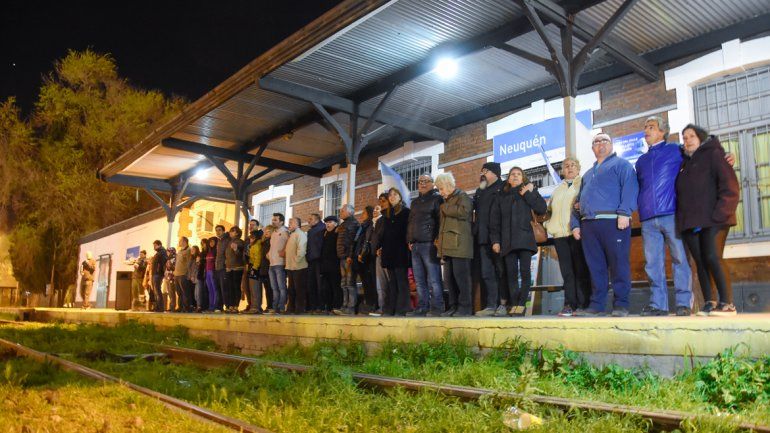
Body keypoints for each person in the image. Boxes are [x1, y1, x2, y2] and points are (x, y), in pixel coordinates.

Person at [572, 133, 639, 317]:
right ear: (592, 148)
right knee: (595, 266)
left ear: (611, 145)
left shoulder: (622, 165)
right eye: (596, 141)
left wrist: (625, 213)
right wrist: (575, 224)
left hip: (613, 222)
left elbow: (630, 188)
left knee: (619, 264)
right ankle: (596, 304)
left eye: (604, 140)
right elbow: (577, 202)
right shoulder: (587, 174)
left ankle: (621, 305)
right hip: (589, 225)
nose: (600, 144)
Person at [676, 124, 740, 316]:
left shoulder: (714, 155)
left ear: (701, 138)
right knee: (701, 261)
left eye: (691, 136)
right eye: (684, 137)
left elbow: (730, 186)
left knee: (713, 256)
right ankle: (710, 303)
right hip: (692, 223)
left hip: (715, 219)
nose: (687, 140)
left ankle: (727, 303)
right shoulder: (683, 163)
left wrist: (721, 214)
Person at [635, 116, 693, 316]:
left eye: (651, 127)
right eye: (645, 127)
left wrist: (726, 155)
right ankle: (658, 305)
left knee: (680, 258)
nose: (646, 131)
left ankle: (684, 304)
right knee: (652, 264)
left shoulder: (676, 150)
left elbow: (699, 157)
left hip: (672, 214)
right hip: (648, 218)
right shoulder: (640, 161)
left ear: (662, 131)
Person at [490, 167, 547, 316]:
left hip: (525, 239)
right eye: (512, 174)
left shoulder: (529, 191)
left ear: (523, 178)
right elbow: (494, 221)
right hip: (507, 241)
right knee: (511, 274)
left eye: (518, 174)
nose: (515, 176)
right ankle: (514, 304)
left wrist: (528, 193)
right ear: (508, 179)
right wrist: (495, 241)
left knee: (525, 272)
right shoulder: (501, 197)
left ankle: (521, 304)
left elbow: (542, 208)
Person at [543, 157, 591, 316]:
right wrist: (548, 226)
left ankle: (584, 305)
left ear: (578, 168)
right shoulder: (558, 190)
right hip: (560, 236)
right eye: (566, 166)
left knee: (581, 270)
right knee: (567, 273)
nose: (569, 168)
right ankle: (569, 304)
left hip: (577, 234)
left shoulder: (584, 183)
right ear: (562, 171)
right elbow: (550, 211)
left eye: (573, 165)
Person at [435, 173, 474, 317]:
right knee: (450, 280)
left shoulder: (462, 196)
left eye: (441, 188)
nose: (441, 192)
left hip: (460, 246)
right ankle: (453, 306)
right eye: (439, 189)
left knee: (461, 279)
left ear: (449, 185)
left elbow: (464, 212)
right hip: (449, 246)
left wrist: (445, 208)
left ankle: (465, 308)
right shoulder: (446, 201)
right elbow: (442, 227)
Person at [406, 174, 445, 316]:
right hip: (415, 245)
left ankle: (438, 307)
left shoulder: (437, 199)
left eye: (426, 181)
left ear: (432, 183)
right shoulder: (414, 202)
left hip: (429, 243)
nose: (422, 184)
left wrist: (437, 238)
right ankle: (422, 307)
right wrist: (409, 240)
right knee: (419, 279)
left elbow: (440, 220)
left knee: (433, 278)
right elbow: (410, 222)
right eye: (420, 181)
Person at [474, 162, 508, 317]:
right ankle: (490, 305)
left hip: (499, 237)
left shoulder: (503, 187)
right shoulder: (481, 190)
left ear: (495, 172)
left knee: (501, 271)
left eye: (485, 171)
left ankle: (504, 304)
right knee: (487, 272)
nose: (483, 173)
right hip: (482, 237)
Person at [379, 188, 412, 316]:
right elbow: (384, 233)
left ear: (400, 197)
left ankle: (403, 308)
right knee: (392, 282)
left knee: (401, 281)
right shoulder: (387, 214)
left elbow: (407, 231)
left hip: (401, 251)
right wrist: (381, 246)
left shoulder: (406, 212)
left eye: (395, 194)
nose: (392, 197)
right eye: (390, 195)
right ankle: (391, 308)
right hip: (389, 252)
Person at [335, 204, 360, 315]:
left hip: (348, 257)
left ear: (350, 212)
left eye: (343, 211)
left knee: (350, 283)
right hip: (342, 257)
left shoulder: (354, 224)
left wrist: (350, 256)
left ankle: (351, 307)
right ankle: (344, 306)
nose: (340, 212)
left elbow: (353, 242)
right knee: (344, 283)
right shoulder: (343, 224)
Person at [369, 196, 389, 316]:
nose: (381, 204)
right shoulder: (378, 221)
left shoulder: (386, 218)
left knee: (388, 282)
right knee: (380, 284)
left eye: (383, 201)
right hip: (377, 254)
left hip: (387, 253)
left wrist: (382, 247)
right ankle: (382, 307)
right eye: (379, 202)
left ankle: (387, 307)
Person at [354, 206, 377, 314]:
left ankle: (373, 304)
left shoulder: (369, 226)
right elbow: (358, 241)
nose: (362, 215)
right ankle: (368, 303)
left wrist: (362, 254)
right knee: (365, 283)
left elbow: (366, 242)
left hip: (367, 258)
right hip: (361, 258)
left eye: (364, 213)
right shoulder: (362, 227)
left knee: (370, 282)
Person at [285, 217, 308, 314]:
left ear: (298, 224)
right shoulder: (292, 235)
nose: (289, 224)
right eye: (289, 222)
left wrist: (296, 261)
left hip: (299, 267)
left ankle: (300, 309)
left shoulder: (300, 234)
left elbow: (302, 250)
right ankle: (291, 308)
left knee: (299, 289)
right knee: (291, 289)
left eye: (292, 222)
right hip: (291, 266)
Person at [268, 213, 290, 313]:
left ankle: (281, 307)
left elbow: (289, 243)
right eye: (273, 220)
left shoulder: (285, 232)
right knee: (274, 288)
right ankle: (275, 307)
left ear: (281, 221)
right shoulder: (273, 233)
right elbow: (273, 246)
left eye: (275, 220)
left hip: (280, 263)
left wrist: (284, 251)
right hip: (271, 264)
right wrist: (268, 253)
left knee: (281, 287)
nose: (273, 221)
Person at [319, 215, 340, 314]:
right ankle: (328, 307)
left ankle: (336, 306)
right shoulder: (324, 233)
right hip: (325, 266)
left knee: (335, 286)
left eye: (330, 222)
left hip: (335, 265)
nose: (327, 224)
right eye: (326, 222)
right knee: (326, 288)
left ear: (336, 223)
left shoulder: (338, 232)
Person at [305, 213, 325, 313]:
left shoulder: (322, 229)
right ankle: (313, 306)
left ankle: (320, 306)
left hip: (318, 261)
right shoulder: (311, 231)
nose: (308, 221)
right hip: (311, 260)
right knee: (311, 284)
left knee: (319, 284)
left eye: (311, 219)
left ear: (317, 220)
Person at [225, 226, 246, 313]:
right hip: (229, 267)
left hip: (237, 267)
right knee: (230, 287)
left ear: (237, 233)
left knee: (236, 286)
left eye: (232, 231)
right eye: (230, 231)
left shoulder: (240, 242)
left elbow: (240, 255)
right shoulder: (229, 241)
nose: (230, 233)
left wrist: (236, 249)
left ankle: (236, 306)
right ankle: (231, 305)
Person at [242, 219, 260, 312]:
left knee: (254, 287)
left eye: (253, 225)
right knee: (246, 286)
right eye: (250, 225)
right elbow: (245, 251)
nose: (251, 226)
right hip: (247, 264)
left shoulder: (260, 236)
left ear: (257, 226)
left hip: (255, 265)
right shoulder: (247, 238)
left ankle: (256, 306)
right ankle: (250, 304)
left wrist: (255, 265)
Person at [246, 230, 263, 314]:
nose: (250, 239)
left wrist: (254, 269)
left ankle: (255, 307)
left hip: (255, 268)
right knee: (253, 288)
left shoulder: (257, 245)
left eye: (252, 237)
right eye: (250, 237)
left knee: (255, 288)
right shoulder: (253, 245)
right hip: (252, 267)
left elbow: (258, 258)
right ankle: (254, 306)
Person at [214, 225, 230, 312]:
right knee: (218, 288)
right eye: (216, 230)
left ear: (223, 231)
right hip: (218, 267)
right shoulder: (219, 241)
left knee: (224, 288)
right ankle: (219, 306)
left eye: (219, 230)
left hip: (224, 267)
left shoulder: (227, 240)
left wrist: (226, 264)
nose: (218, 232)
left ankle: (227, 306)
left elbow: (227, 254)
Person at [174, 237, 193, 312]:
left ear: (184, 241)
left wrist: (188, 274)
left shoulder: (188, 250)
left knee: (185, 292)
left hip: (183, 274)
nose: (179, 242)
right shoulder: (179, 251)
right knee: (179, 292)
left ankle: (186, 307)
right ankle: (180, 307)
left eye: (180, 241)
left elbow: (189, 263)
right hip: (177, 274)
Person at [150, 240, 167, 312]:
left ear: (159, 245)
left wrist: (161, 272)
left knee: (157, 290)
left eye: (155, 245)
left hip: (158, 274)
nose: (154, 247)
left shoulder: (162, 252)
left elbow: (163, 262)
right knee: (155, 291)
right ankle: (157, 307)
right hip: (155, 273)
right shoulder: (158, 253)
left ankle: (160, 307)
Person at [260, 226, 274, 313]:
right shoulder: (263, 242)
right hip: (264, 268)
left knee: (270, 288)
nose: (266, 233)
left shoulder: (272, 242)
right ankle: (268, 306)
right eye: (265, 231)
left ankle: (271, 306)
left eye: (268, 231)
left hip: (270, 267)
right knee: (267, 289)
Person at [188, 245, 204, 312]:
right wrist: (190, 277)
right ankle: (196, 307)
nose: (192, 250)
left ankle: (199, 307)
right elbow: (190, 269)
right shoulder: (191, 258)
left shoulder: (198, 257)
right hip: (192, 278)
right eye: (191, 249)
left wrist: (193, 276)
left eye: (193, 249)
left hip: (197, 277)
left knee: (198, 293)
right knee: (195, 294)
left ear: (196, 250)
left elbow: (197, 268)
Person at [205, 237, 219, 312]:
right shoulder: (209, 251)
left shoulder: (216, 251)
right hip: (207, 272)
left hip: (213, 271)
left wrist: (215, 272)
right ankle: (210, 306)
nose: (211, 243)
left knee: (215, 289)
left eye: (213, 242)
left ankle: (215, 305)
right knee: (210, 290)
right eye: (210, 242)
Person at [164, 247, 177, 311]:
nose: (167, 253)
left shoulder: (175, 258)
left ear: (171, 252)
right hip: (168, 277)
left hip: (172, 277)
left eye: (168, 251)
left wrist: (170, 265)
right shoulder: (168, 259)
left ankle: (172, 307)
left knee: (172, 292)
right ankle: (171, 306)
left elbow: (174, 268)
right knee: (169, 292)